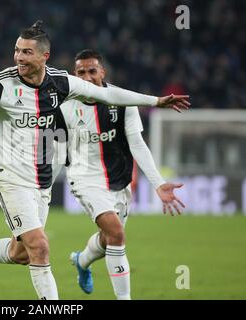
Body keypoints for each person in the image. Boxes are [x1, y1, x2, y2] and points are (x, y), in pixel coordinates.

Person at [0, 21, 190, 300]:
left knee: (22, 252)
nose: (19, 58)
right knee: (40, 245)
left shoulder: (61, 84)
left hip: (40, 181)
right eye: (16, 51)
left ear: (44, 57)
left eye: (26, 52)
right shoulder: (1, 87)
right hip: (8, 173)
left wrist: (157, 101)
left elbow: (110, 95)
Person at [55, 49, 186, 300]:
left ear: (102, 72)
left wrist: (158, 183)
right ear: (75, 74)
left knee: (109, 239)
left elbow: (137, 144)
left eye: (92, 71)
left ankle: (81, 261)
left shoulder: (123, 101)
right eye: (81, 72)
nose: (87, 77)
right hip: (84, 178)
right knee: (116, 233)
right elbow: (57, 148)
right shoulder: (65, 106)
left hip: (118, 180)